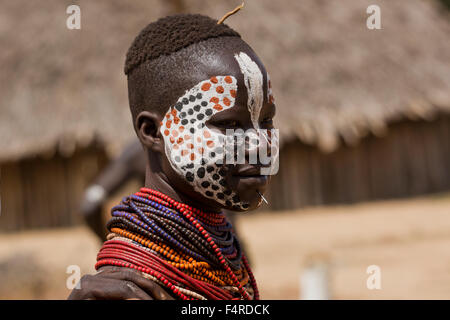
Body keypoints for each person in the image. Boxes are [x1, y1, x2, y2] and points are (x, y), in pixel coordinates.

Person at [69, 13, 277, 300]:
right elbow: (89, 202)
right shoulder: (131, 292)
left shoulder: (224, 261)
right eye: (229, 124)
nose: (260, 144)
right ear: (153, 132)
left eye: (266, 121)